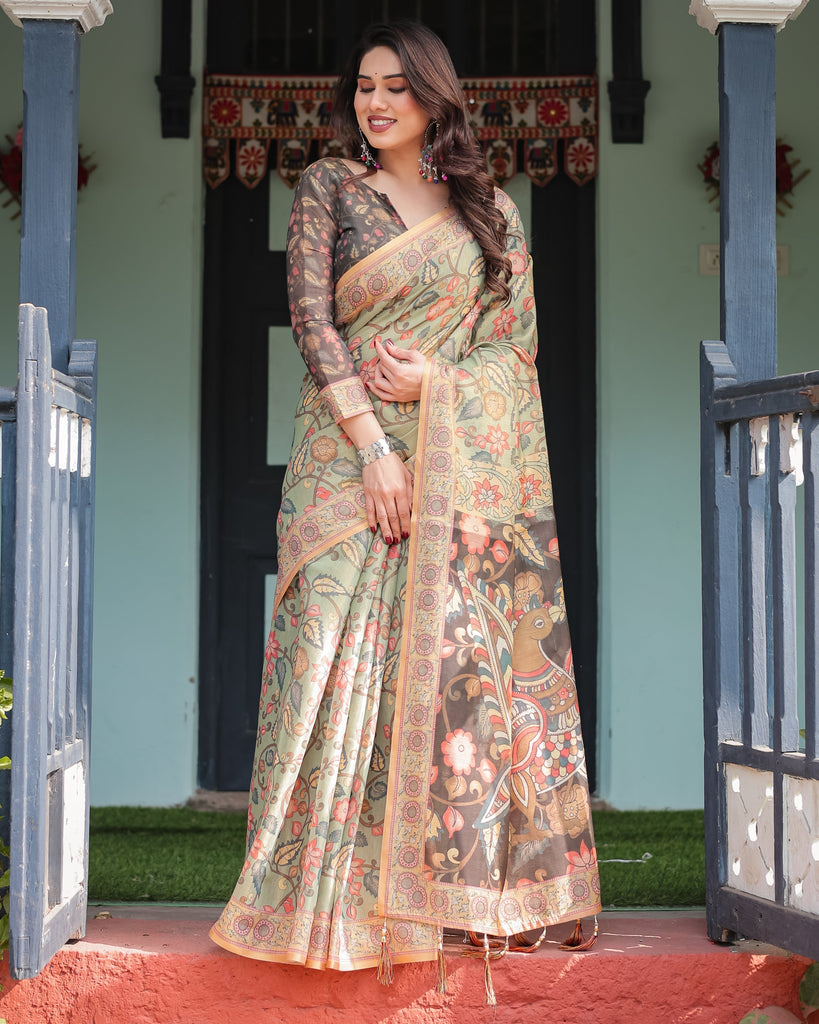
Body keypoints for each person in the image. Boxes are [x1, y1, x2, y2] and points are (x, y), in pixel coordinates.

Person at [209, 20, 601, 988]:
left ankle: (443, 901)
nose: (374, 103)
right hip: (344, 464)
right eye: (364, 88)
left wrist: (441, 385)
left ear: (434, 96)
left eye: (395, 87)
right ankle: (302, 898)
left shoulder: (492, 216)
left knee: (442, 676)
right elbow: (310, 319)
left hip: (453, 470)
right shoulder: (330, 190)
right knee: (323, 669)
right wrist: (375, 446)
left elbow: (514, 352)